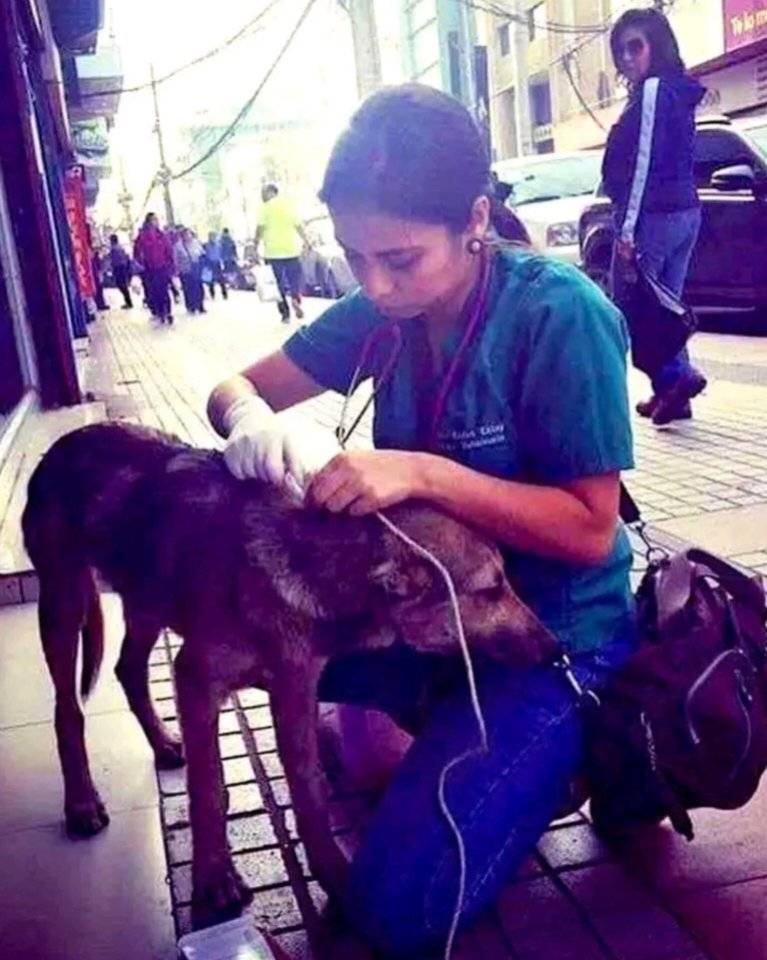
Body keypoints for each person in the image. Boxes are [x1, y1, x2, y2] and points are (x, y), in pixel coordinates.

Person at [207, 84, 637, 957]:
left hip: (546, 630)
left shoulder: (557, 316)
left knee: (395, 912)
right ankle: (442, 731)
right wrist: (251, 422)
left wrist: (424, 474)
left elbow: (591, 531)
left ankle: (577, 733)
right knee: (238, 651)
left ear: (475, 217)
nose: (375, 284)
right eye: (353, 256)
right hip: (422, 619)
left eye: (399, 259)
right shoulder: (380, 311)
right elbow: (232, 387)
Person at [603, 7, 707, 426]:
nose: (627, 58)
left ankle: (677, 377)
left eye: (636, 47)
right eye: (621, 50)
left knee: (630, 305)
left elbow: (643, 161)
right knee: (664, 306)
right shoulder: (676, 91)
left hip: (655, 217)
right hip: (682, 211)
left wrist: (627, 231)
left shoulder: (653, 92)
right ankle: (673, 395)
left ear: (656, 46)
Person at [254, 183, 308, 322]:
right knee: (294, 280)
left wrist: (255, 245)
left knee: (277, 285)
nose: (261, 196)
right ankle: (296, 299)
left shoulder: (265, 207)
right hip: (292, 250)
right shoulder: (289, 205)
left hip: (272, 253)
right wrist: (306, 241)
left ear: (270, 192)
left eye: (263, 193)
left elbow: (260, 228)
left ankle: (285, 314)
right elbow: (298, 225)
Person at [133, 213, 174, 324]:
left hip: (163, 267)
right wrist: (141, 264)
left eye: (157, 219)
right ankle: (160, 311)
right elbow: (136, 252)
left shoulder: (162, 235)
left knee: (164, 290)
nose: (156, 222)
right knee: (155, 291)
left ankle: (168, 312)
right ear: (148, 221)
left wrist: (171, 264)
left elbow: (169, 250)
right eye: (154, 220)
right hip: (149, 269)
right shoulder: (142, 236)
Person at [174, 228, 206, 314]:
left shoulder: (196, 243)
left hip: (196, 268)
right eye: (185, 234)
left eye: (189, 234)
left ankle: (200, 305)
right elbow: (176, 259)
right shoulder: (178, 246)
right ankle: (191, 306)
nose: (187, 236)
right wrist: (177, 270)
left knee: (199, 288)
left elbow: (202, 253)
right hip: (185, 270)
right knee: (188, 289)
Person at [108, 234, 133, 309]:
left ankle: (128, 302)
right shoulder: (120, 247)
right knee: (123, 285)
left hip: (118, 268)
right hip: (122, 267)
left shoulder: (114, 249)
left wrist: (111, 269)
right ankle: (128, 302)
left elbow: (113, 260)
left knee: (121, 285)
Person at [202, 231, 229, 300]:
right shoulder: (206, 245)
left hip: (217, 263)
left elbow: (221, 255)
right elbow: (204, 255)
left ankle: (224, 294)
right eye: (211, 236)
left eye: (214, 236)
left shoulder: (219, 245)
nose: (212, 238)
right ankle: (212, 294)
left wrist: (222, 263)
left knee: (221, 280)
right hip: (210, 263)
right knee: (211, 280)